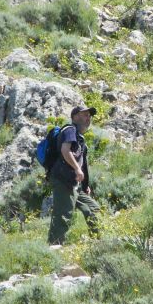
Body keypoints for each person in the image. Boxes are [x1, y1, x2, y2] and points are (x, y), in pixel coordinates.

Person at [47, 105, 100, 245]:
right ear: (75, 117)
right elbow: (65, 150)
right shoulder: (70, 130)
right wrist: (77, 169)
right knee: (63, 215)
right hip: (63, 180)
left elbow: (84, 164)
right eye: (85, 115)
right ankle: (54, 247)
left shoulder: (80, 139)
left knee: (93, 208)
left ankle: (98, 241)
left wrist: (86, 185)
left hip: (75, 184)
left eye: (89, 116)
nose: (88, 118)